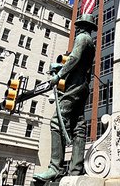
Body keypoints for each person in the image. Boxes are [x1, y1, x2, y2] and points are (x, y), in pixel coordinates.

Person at [34, 15, 97, 181]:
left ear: (84, 26)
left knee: (57, 121)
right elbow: (77, 61)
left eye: (79, 25)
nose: (76, 27)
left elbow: (75, 58)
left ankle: (55, 167)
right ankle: (75, 170)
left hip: (74, 86)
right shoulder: (90, 41)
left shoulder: (82, 38)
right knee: (78, 126)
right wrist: (61, 65)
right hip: (82, 85)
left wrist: (59, 74)